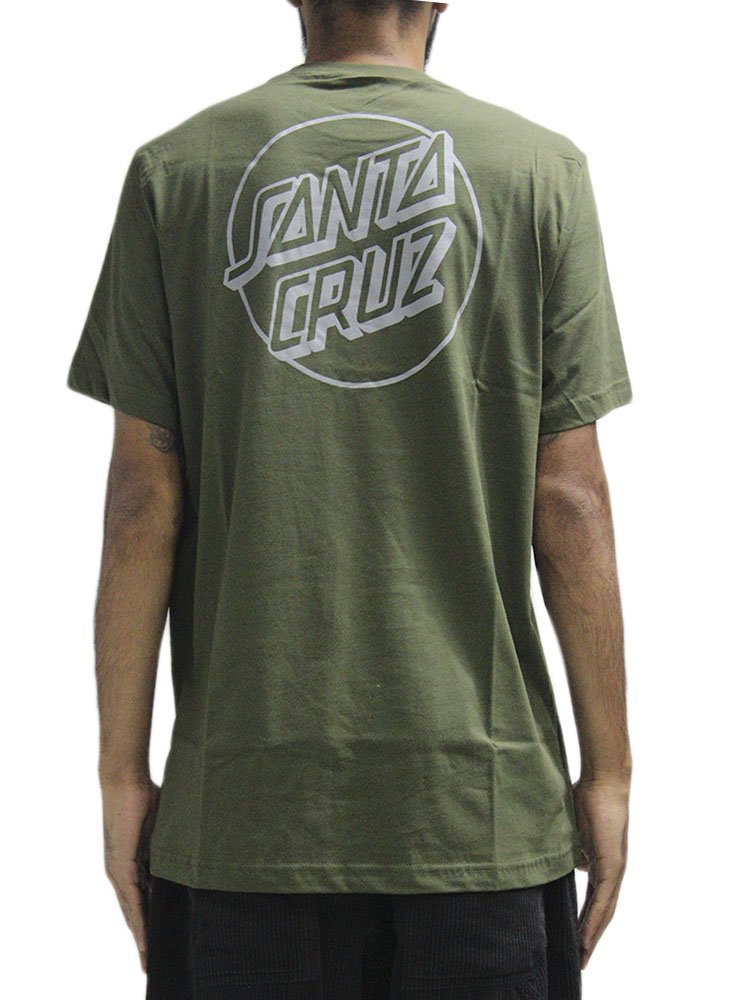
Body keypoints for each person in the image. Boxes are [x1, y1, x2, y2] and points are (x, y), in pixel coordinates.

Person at [65, 1, 634, 997]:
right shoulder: (538, 172)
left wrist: (121, 774)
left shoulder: (179, 171)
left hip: (243, 815)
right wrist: (609, 771)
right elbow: (570, 499)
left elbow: (141, 501)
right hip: (480, 810)